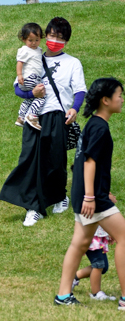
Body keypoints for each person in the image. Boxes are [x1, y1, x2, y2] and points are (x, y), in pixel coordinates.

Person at [0, 17, 86, 227]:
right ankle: (33, 207)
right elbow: (18, 88)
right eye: (52, 35)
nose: (55, 39)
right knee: (30, 160)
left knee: (55, 162)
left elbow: (80, 90)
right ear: (45, 36)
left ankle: (59, 197)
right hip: (34, 117)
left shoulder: (72, 63)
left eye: (61, 37)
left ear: (67, 40)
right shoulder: (33, 55)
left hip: (58, 115)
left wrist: (74, 108)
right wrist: (31, 93)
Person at [54, 77, 125, 306]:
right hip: (91, 198)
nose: (122, 100)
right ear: (106, 100)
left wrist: (99, 192)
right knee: (124, 238)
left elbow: (87, 162)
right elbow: (89, 162)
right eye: (119, 96)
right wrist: (91, 197)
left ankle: (63, 295)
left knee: (80, 243)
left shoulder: (94, 124)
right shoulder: (100, 127)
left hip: (87, 194)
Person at [72, 225, 116, 301]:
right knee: (98, 264)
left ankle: (73, 277)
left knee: (104, 267)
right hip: (90, 235)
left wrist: (109, 232)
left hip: (98, 235)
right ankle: (96, 293)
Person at [15, 22, 45, 130]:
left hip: (30, 79)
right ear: (23, 39)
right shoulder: (25, 50)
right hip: (30, 78)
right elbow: (19, 63)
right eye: (30, 40)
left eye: (37, 40)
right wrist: (19, 75)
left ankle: (21, 117)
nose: (34, 43)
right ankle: (32, 116)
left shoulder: (38, 50)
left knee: (30, 99)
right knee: (42, 95)